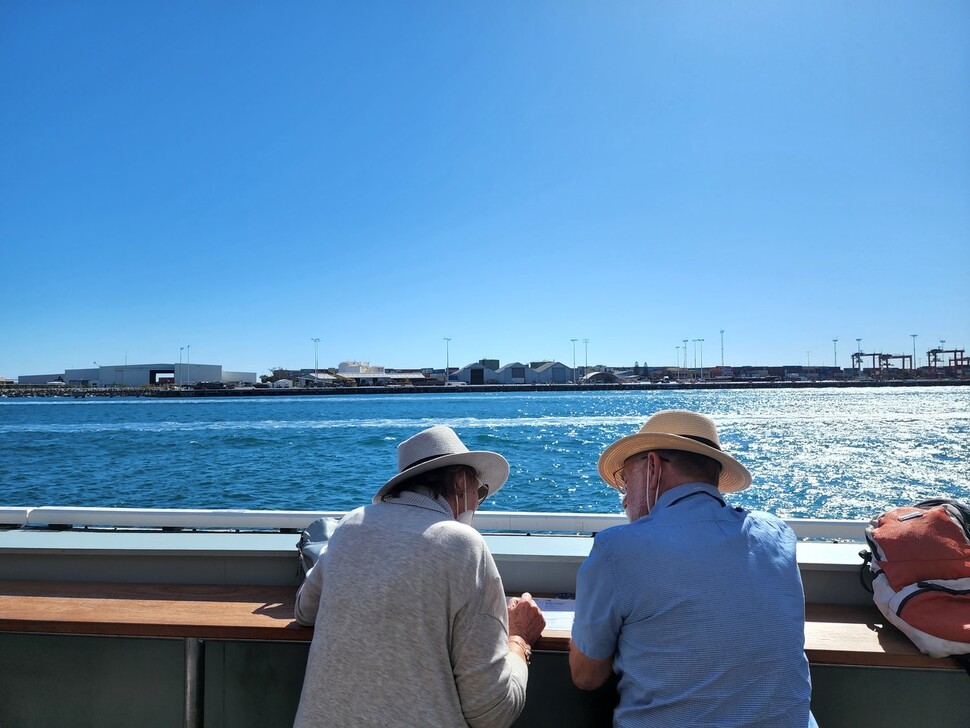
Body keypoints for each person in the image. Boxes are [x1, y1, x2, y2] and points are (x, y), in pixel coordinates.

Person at [569, 410, 816, 727]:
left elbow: (587, 676)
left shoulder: (617, 549)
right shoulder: (776, 534)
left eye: (625, 482)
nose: (624, 500)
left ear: (654, 467)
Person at [293, 425, 546, 728]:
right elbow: (491, 712)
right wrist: (518, 639)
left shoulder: (350, 525)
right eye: (479, 491)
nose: (478, 503)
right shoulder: (463, 544)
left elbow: (304, 611)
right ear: (460, 482)